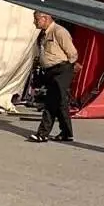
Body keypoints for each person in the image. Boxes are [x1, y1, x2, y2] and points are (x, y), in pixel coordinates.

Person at [28, 11, 78, 143]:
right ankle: (67, 133)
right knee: (60, 103)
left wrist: (68, 68)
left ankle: (42, 134)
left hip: (61, 70)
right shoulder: (43, 34)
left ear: (45, 18)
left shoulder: (59, 32)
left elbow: (72, 53)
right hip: (50, 71)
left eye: (36, 19)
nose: (34, 22)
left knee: (51, 102)